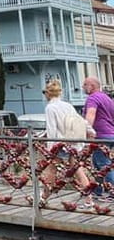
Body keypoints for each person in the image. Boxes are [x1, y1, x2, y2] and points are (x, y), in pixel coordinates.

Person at [42, 79, 95, 210]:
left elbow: (52, 130)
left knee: (51, 171)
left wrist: (50, 150)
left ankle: (43, 198)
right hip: (73, 143)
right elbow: (80, 121)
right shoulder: (68, 105)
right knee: (78, 170)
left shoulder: (50, 107)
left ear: (47, 94)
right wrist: (91, 131)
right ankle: (89, 200)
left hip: (60, 144)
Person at [83, 76, 114, 197]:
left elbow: (91, 114)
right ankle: (98, 190)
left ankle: (112, 190)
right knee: (97, 163)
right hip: (110, 134)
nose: (83, 87)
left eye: (85, 85)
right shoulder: (106, 98)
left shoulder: (93, 98)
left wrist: (86, 132)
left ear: (92, 86)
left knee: (103, 164)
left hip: (100, 135)